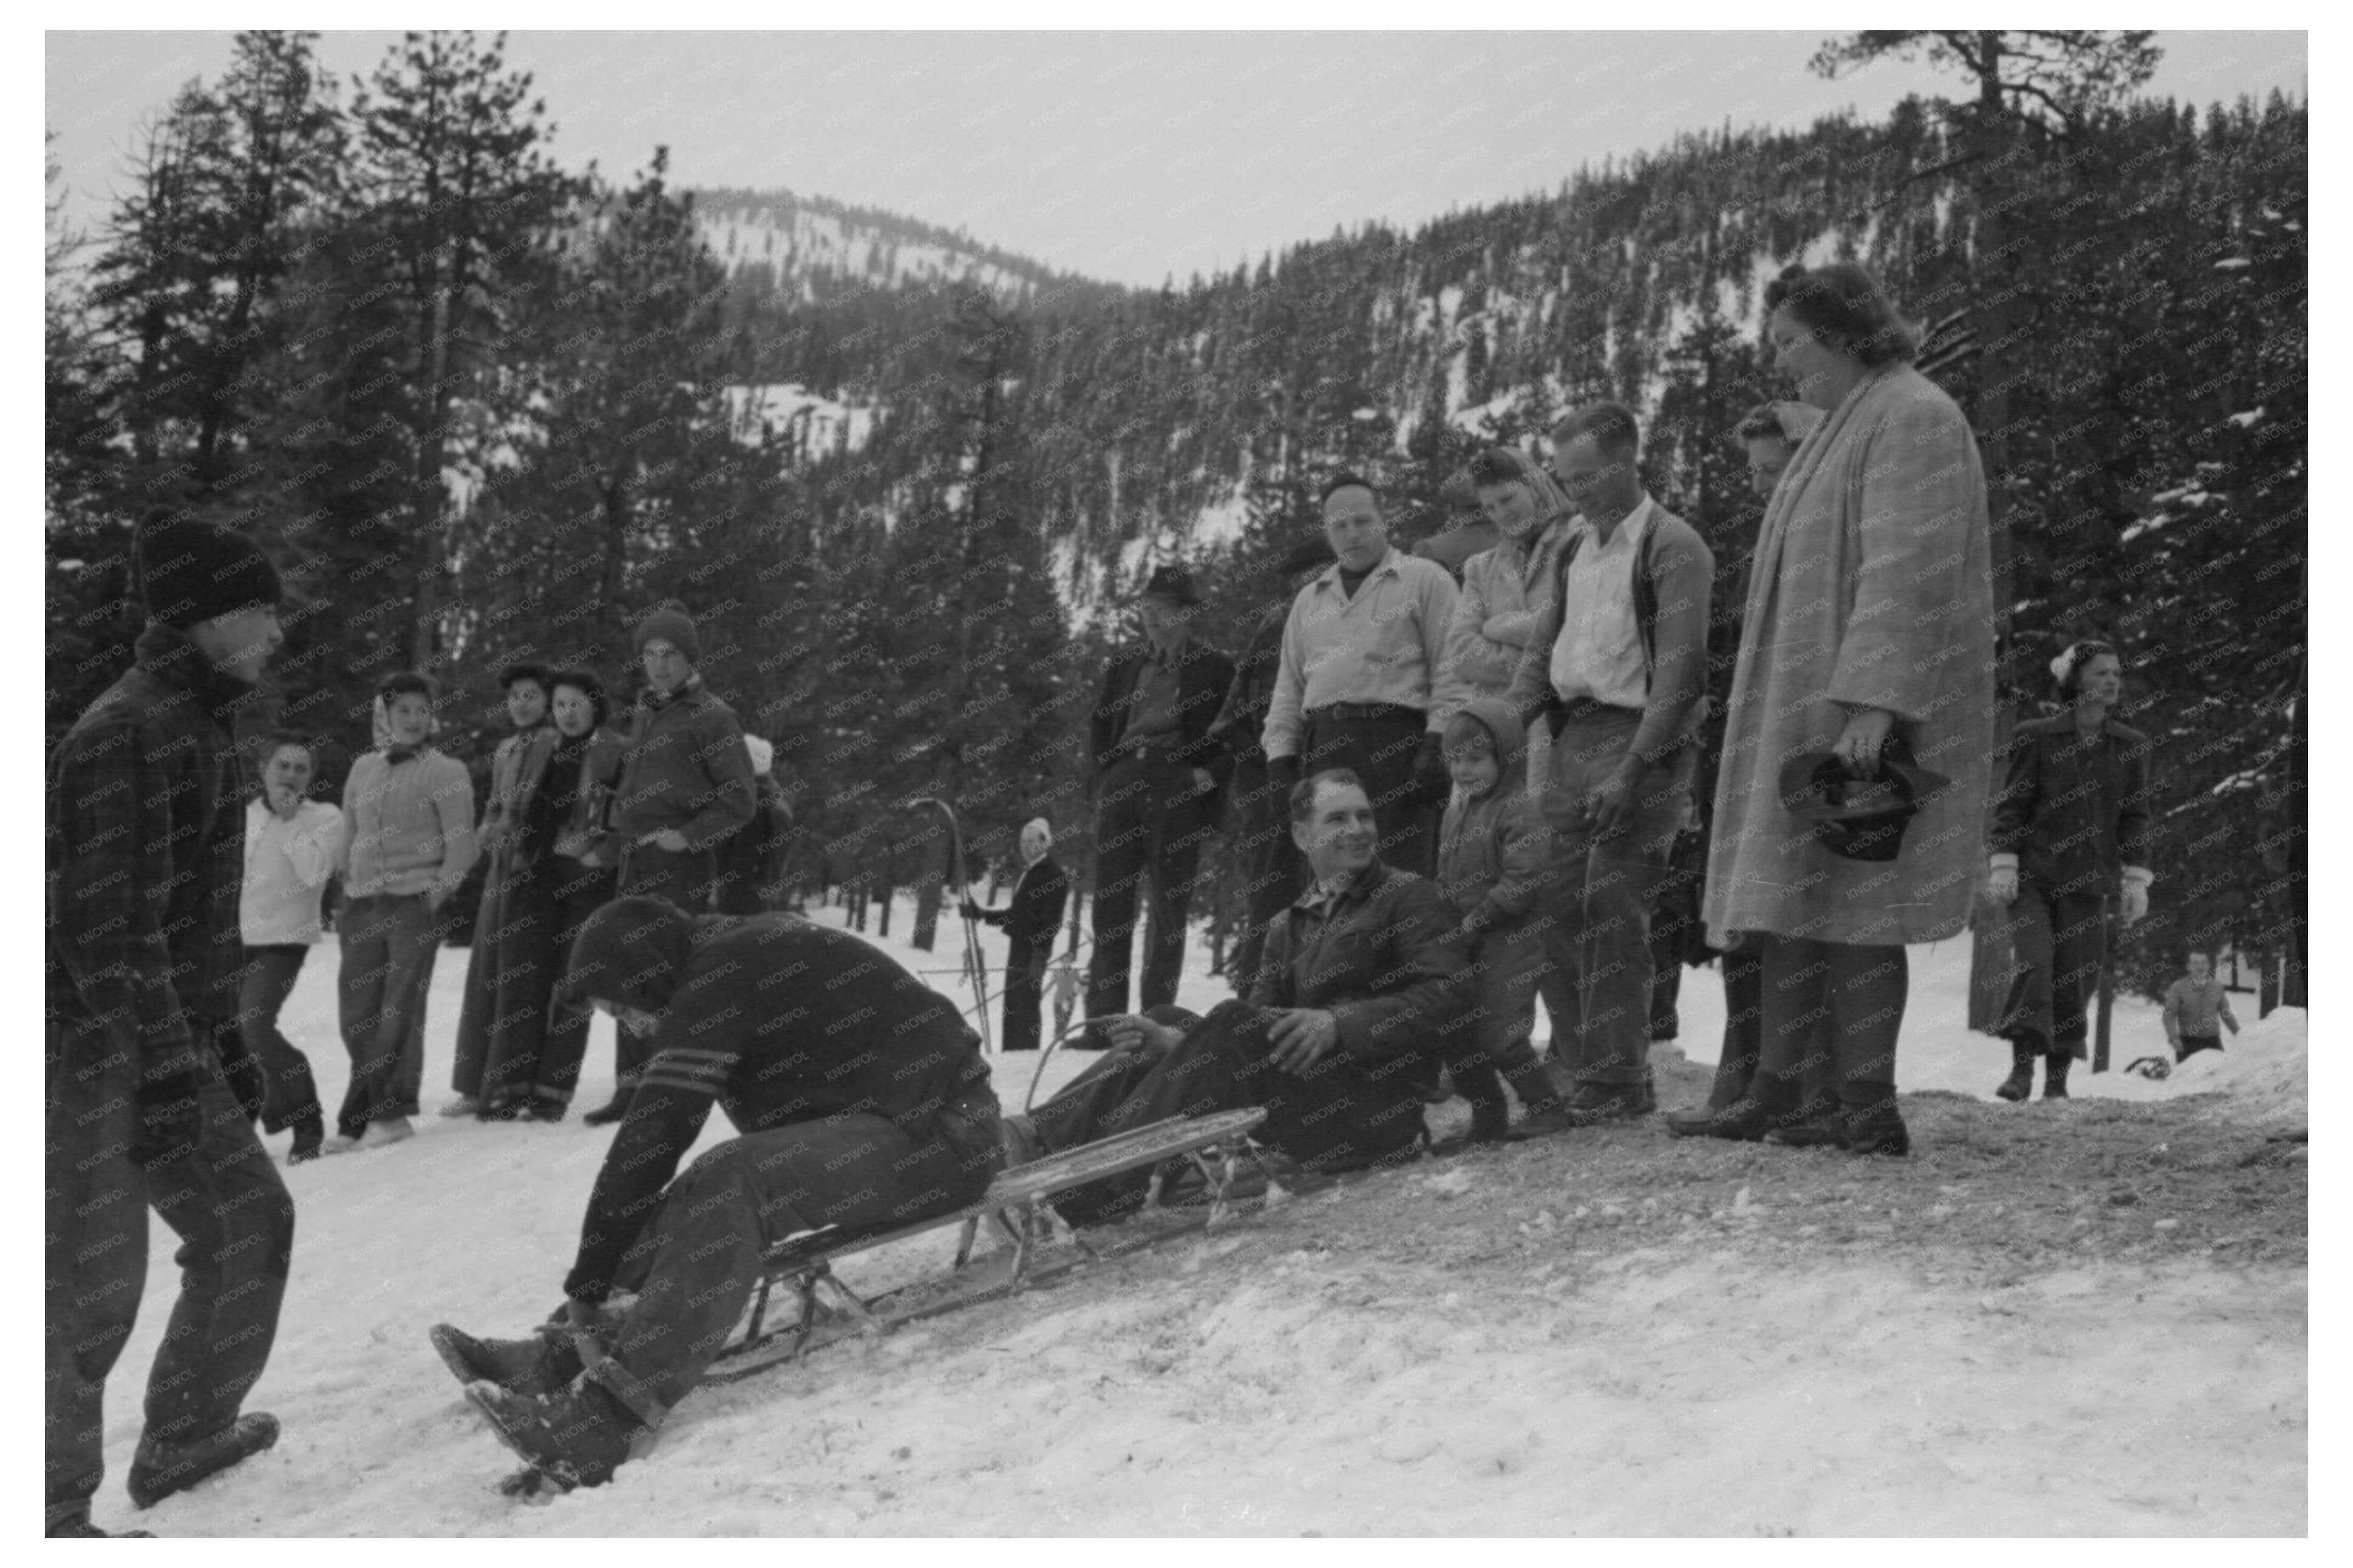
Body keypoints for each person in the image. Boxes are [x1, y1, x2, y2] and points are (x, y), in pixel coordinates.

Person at [429, 899, 1006, 1491]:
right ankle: (558, 1356)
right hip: (901, 1123)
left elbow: (655, 1133)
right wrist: (589, 1281)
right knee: (707, 1187)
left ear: (644, 971)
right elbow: (657, 1144)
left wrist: (589, 1278)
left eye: (621, 1008)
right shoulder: (714, 958)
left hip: (944, 1137)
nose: (630, 1027)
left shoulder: (723, 971)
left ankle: (607, 1420)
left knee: (735, 1179)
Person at [1677, 261, 1997, 1156]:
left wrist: (1875, 707)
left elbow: (1907, 571)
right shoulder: (1840, 425)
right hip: (1806, 703)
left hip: (1858, 712)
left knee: (1860, 901)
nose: (1782, 362)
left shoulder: (1914, 416)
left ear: (1846, 331)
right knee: (1790, 901)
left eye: (1791, 341)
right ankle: (1784, 1090)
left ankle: (1863, 1101)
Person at [46, 514, 298, 1535]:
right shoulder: (127, 730)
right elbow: (106, 932)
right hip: (87, 1044)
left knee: (247, 1222)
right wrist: (155, 1073)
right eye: (262, 610)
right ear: (199, 618)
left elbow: (183, 915)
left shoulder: (199, 720)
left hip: (164, 1034)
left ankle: (185, 1432)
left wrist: (223, 1036)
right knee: (85, 1285)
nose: (280, 631)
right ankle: (47, 1509)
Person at [1008, 770, 1468, 1225]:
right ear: (1302, 835)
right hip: (1305, 1095)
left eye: (1364, 816)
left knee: (1228, 1019)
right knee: (1164, 1017)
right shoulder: (1290, 923)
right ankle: (1041, 1141)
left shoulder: (1408, 896)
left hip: (1375, 1111)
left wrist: (1338, 1023)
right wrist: (1176, 1043)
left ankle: (1093, 1189)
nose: (1358, 829)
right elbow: (1256, 1025)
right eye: (1338, 819)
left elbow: (1450, 993)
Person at [1502, 403, 1715, 1132]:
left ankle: (1620, 1075)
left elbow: (1681, 673)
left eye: (1587, 476)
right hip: (1574, 734)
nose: (1577, 492)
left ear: (1628, 461)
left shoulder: (1671, 545)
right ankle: (1576, 1067)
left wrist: (1633, 770)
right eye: (1565, 479)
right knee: (1555, 904)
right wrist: (1517, 714)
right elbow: (1542, 642)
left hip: (1644, 738)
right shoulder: (1572, 549)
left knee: (1613, 908)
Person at [1430, 445, 1580, 1054]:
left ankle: (1582, 1052)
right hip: (1496, 740)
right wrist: (1529, 638)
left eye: (1509, 497)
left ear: (1536, 484)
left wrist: (1502, 626)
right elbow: (1460, 652)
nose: (1501, 513)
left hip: (1560, 731)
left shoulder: (1575, 543)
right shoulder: (1480, 567)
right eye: (1489, 505)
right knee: (1491, 887)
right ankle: (1511, 1049)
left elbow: (1570, 627)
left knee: (1558, 892)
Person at [1694, 402, 1821, 1111]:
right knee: (1743, 912)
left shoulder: (1822, 538)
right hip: (1744, 746)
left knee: (1791, 912)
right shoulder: (1764, 545)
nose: (1757, 485)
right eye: (1752, 470)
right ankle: (1743, 1074)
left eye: (1770, 469)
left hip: (1802, 746)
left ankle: (1794, 1081)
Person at [588, 602, 759, 1124]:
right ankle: (629, 1083)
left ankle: (667, 1084)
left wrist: (686, 838)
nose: (659, 664)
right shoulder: (646, 713)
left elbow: (740, 799)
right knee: (625, 964)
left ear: (689, 658)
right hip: (634, 858)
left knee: (667, 969)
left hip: (679, 864)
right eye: (649, 654)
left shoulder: (714, 717)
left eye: (669, 654)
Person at [1263, 475, 1460, 878]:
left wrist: (1437, 741)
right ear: (1326, 532)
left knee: (1398, 877)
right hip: (1324, 746)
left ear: (1383, 519)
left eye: (1362, 520)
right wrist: (1280, 759)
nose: (1352, 533)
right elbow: (1288, 689)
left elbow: (1454, 668)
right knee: (1331, 883)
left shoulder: (1424, 579)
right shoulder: (1309, 598)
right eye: (1339, 525)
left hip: (1397, 746)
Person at [1986, 640, 2156, 1100]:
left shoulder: (2129, 746)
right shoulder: (2035, 736)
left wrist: (2136, 876)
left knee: (2074, 976)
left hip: (2088, 883)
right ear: (2074, 681)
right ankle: (2021, 1071)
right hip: (2032, 879)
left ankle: (2056, 1083)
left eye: (2116, 673)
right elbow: (2011, 806)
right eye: (2100, 672)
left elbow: (2135, 815)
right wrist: (2003, 863)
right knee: (2035, 962)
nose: (2111, 680)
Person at [328, 672, 478, 1154]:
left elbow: (464, 846)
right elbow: (348, 833)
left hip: (413, 903)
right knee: (356, 1012)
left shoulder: (446, 770)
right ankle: (366, 1107)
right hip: (361, 903)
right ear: (385, 716)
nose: (413, 719)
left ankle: (381, 1114)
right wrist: (344, 884)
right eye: (402, 711)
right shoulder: (362, 769)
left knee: (397, 1011)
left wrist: (432, 897)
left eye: (421, 710)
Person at [1084, 564, 1235, 1023]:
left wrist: (1207, 775)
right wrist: (1103, 777)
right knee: (1110, 902)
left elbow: (1236, 729)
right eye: (1146, 606)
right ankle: (1103, 1022)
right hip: (1124, 779)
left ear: (1185, 613)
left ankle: (1157, 1019)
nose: (1152, 616)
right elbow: (1098, 724)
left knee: (1169, 905)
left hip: (1176, 783)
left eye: (1163, 607)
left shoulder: (1214, 667)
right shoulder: (1125, 665)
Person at [1431, 700, 1567, 1142]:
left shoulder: (1518, 809)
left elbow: (1524, 875)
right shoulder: (1456, 812)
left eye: (1475, 758)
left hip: (1511, 939)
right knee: (1460, 1034)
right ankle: (1488, 1114)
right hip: (1465, 940)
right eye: (1455, 759)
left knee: (1502, 1033)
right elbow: (1445, 872)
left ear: (1505, 757)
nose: (1463, 770)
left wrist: (1482, 914)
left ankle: (1546, 1107)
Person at [494, 670, 626, 1119]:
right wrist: (510, 839)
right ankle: (516, 1087)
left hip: (587, 881)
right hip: (536, 873)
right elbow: (517, 804)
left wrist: (601, 856)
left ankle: (552, 1091)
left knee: (574, 985)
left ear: (595, 705)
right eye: (560, 705)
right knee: (522, 980)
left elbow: (629, 814)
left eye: (576, 703)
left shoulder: (616, 749)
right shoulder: (541, 748)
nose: (567, 713)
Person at [1207, 534, 1336, 996]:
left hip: (1323, 777)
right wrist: (1266, 773)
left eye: (1318, 571)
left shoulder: (1345, 623)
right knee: (1271, 889)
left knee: (1324, 888)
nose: (1309, 582)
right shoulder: (1277, 624)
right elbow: (1233, 717)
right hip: (1268, 779)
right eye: (1300, 576)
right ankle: (1252, 994)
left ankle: (1307, 990)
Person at [449, 661, 560, 1118]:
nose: (522, 703)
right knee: (486, 970)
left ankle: (507, 1081)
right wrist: (487, 828)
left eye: (531, 694)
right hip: (500, 867)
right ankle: (474, 1082)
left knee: (517, 975)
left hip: (533, 868)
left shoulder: (555, 744)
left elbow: (543, 807)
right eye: (515, 695)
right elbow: (495, 804)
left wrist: (513, 832)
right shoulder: (506, 748)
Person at [237, 731, 344, 1163]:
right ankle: (240, 1130)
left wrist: (289, 820)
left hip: (284, 939)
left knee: (254, 1023)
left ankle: (306, 1117)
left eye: (301, 769)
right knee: (229, 1036)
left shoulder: (324, 817)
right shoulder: (242, 815)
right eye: (283, 765)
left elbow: (315, 874)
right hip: (233, 940)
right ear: (264, 769)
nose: (291, 775)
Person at [963, 817, 1072, 1052]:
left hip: (1032, 952)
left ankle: (1025, 1056)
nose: (1025, 847)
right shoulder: (1028, 872)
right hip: (1018, 948)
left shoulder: (1053, 875)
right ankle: (1010, 1054)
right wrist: (981, 914)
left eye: (1031, 841)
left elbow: (1051, 922)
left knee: (1025, 1008)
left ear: (1045, 842)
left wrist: (1041, 955)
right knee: (1012, 1006)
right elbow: (1017, 915)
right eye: (1023, 842)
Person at [713, 734, 795, 917]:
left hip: (739, 901)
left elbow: (744, 857)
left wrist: (724, 892)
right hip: (756, 898)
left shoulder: (754, 805)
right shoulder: (775, 799)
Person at [2163, 952, 2240, 1062]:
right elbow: (2169, 1015)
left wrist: (2240, 1034)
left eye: (2203, 963)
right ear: (2189, 966)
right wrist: (2174, 1038)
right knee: (2188, 1077)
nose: (2200, 967)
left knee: (2218, 1076)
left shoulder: (2217, 987)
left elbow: (2226, 1014)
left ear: (2208, 965)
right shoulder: (2178, 988)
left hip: (2213, 1042)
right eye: (2195, 963)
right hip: (2188, 1043)